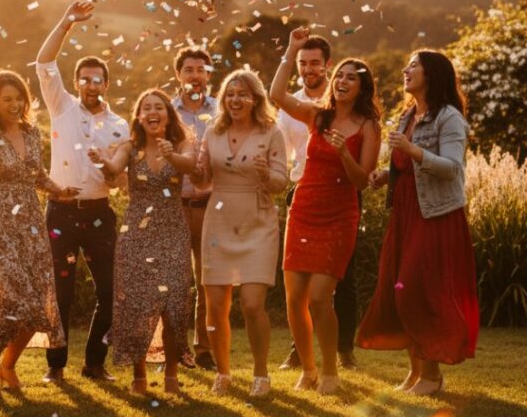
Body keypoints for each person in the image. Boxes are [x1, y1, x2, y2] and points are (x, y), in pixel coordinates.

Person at [358, 50, 479, 396]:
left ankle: (431, 376)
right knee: (399, 289)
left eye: (413, 65)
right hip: (406, 213)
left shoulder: (449, 117)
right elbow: (405, 167)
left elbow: (453, 167)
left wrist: (412, 152)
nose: (405, 69)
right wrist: (386, 175)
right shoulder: (408, 115)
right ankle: (416, 373)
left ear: (432, 74)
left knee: (419, 291)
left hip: (436, 216)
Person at [0, 28, 77, 397]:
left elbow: (38, 175)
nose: (13, 104)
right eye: (6, 99)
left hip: (29, 220)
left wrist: (59, 191)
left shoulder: (31, 134)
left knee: (39, 304)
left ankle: (7, 366)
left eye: (18, 98)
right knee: (10, 297)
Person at [270, 26, 381, 394]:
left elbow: (363, 180)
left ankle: (330, 369)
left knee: (320, 297)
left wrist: (344, 153)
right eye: (341, 76)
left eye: (352, 77)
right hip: (303, 208)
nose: (344, 81)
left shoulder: (368, 126)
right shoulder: (318, 116)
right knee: (294, 299)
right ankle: (308, 368)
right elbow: (276, 94)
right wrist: (291, 49)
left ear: (362, 88)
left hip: (338, 215)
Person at [35, 1, 131, 384]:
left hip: (99, 214)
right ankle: (55, 367)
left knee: (111, 292)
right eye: (85, 79)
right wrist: (67, 22)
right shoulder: (62, 108)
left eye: (98, 80)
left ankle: (95, 363)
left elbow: (120, 180)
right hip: (60, 212)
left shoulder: (119, 125)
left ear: (106, 84)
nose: (92, 85)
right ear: (76, 83)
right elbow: (44, 62)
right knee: (61, 293)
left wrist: (109, 169)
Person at [88, 89, 196, 395]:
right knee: (138, 302)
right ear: (139, 116)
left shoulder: (182, 143)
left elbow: (190, 166)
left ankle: (171, 375)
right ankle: (138, 376)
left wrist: (171, 154)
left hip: (173, 229)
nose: (153, 112)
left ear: (168, 114)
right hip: (137, 231)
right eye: (146, 107)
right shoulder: (130, 147)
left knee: (173, 301)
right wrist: (102, 161)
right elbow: (113, 169)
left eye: (158, 107)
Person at [196, 70, 288, 397]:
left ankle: (261, 373)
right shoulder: (213, 132)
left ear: (256, 99)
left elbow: (281, 183)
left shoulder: (271, 132)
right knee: (216, 305)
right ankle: (223, 372)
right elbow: (201, 179)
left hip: (258, 218)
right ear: (223, 99)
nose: (236, 100)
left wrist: (266, 174)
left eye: (243, 94)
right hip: (219, 217)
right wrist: (193, 164)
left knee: (251, 304)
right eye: (230, 94)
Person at [171, 47, 219, 371]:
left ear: (208, 75)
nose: (195, 75)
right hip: (174, 205)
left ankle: (204, 351)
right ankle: (176, 350)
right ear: (179, 75)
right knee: (176, 282)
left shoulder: (220, 111)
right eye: (189, 69)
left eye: (201, 69)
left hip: (211, 206)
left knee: (208, 281)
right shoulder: (167, 111)